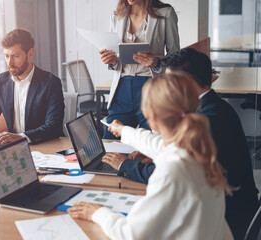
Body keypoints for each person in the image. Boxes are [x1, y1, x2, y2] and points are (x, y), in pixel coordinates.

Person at [103, 48, 259, 239]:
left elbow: (133, 233)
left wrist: (124, 165)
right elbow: (175, 151)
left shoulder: (210, 120)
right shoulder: (212, 108)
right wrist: (150, 150)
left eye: (169, 83)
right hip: (221, 216)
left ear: (186, 84)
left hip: (230, 218)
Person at [68, 73, 233, 240]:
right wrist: (124, 130)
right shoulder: (197, 148)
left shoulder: (173, 170)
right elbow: (157, 144)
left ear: (151, 115)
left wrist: (97, 212)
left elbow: (131, 234)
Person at [101, 0, 179, 139]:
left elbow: (176, 57)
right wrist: (112, 61)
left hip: (151, 88)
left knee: (149, 145)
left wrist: (156, 61)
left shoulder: (166, 13)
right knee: (110, 143)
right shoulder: (117, 16)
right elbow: (115, 54)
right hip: (122, 89)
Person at [0, 29, 64, 145]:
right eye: (7, 56)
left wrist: (22, 137)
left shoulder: (50, 83)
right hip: (13, 151)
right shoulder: (1, 81)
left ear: (30, 54)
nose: (9, 63)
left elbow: (54, 127)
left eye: (15, 56)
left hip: (43, 148)